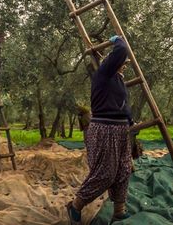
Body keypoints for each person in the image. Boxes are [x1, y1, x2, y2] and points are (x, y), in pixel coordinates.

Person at [67, 35, 132, 224]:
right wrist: (118, 39)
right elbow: (121, 50)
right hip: (106, 129)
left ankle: (119, 210)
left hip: (120, 130)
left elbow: (122, 104)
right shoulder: (104, 73)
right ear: (111, 62)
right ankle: (76, 205)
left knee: (124, 170)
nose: (125, 65)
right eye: (123, 63)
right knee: (106, 174)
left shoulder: (118, 79)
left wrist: (130, 120)